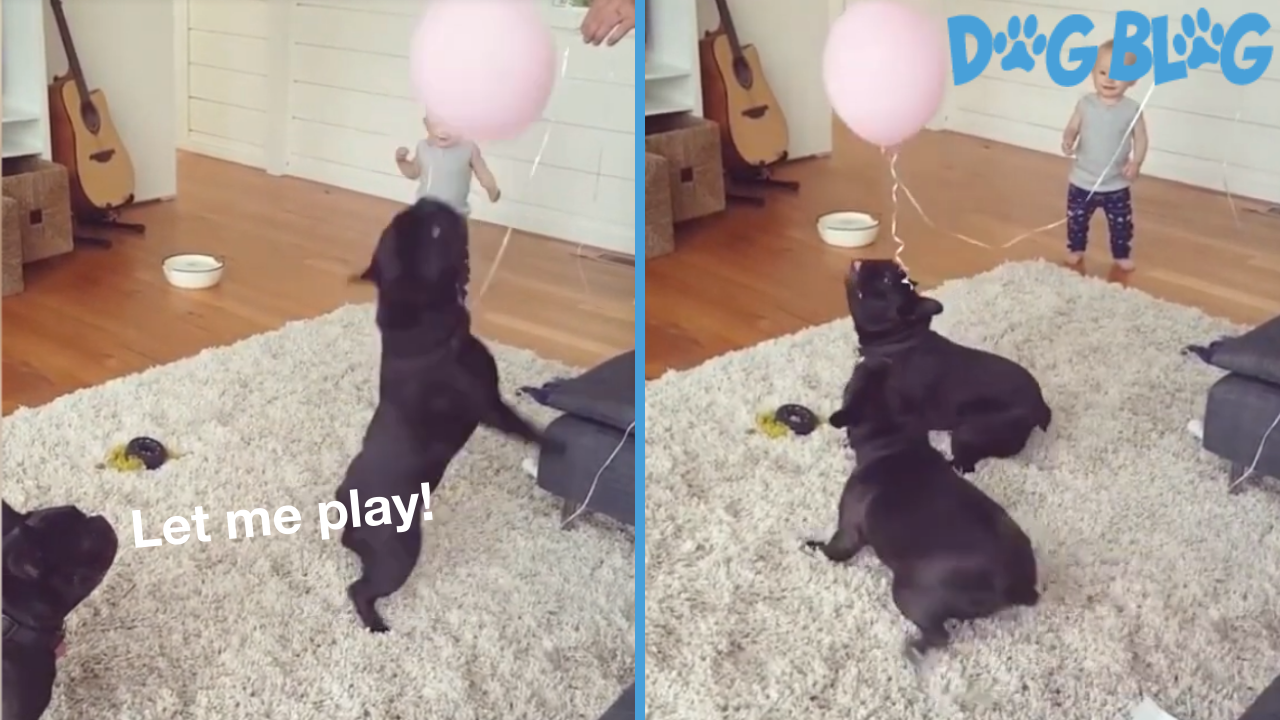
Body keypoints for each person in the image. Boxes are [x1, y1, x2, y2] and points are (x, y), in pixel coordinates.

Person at [1060, 39, 1148, 272]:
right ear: (1093, 73)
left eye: (1119, 74)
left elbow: (1141, 138)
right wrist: (1068, 138)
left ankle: (1121, 253)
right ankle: (1076, 248)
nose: (1109, 79)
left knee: (1121, 224)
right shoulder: (1085, 104)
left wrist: (1136, 162)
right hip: (1082, 180)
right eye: (1103, 72)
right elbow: (1072, 127)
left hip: (1115, 183)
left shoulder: (1131, 109)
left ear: (1133, 80)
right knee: (1077, 220)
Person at [394, 114, 500, 300]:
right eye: (437, 123)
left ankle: (456, 291)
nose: (443, 130)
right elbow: (413, 172)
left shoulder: (468, 149)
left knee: (455, 256)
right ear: (426, 124)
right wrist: (402, 162)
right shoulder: (423, 148)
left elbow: (483, 172)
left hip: (454, 217)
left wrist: (492, 188)